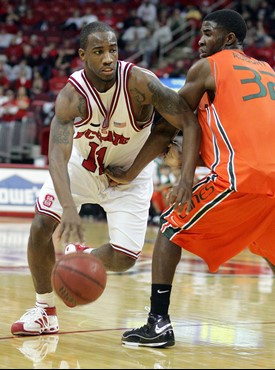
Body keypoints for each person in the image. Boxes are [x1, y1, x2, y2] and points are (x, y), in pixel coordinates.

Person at [11, 21, 201, 336]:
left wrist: (184, 176)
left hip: (131, 174)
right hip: (82, 169)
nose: (108, 58)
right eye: (99, 52)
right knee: (41, 225)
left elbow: (188, 122)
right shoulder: (72, 96)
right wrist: (69, 208)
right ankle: (44, 311)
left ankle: (82, 257)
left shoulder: (141, 84)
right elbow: (57, 155)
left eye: (112, 50)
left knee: (126, 258)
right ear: (83, 55)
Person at [106, 9, 275, 347]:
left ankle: (159, 323)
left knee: (170, 228)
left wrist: (130, 173)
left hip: (241, 177)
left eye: (208, 32)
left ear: (228, 39)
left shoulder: (207, 67)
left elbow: (169, 125)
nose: (200, 40)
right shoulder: (268, 70)